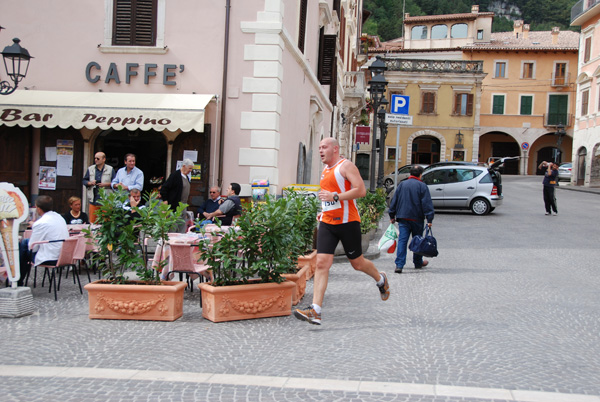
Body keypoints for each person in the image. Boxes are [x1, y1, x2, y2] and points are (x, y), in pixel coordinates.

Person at [293, 137, 390, 326]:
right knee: (322, 264)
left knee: (358, 263)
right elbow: (327, 197)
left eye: (324, 147)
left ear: (335, 149)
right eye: (319, 147)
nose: (320, 150)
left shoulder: (346, 166)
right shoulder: (325, 170)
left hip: (348, 222)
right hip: (328, 223)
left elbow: (360, 191)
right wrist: (323, 211)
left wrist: (335, 196)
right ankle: (316, 311)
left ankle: (380, 279)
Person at [388, 165, 435, 274]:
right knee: (417, 240)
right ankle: (418, 262)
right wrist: (429, 219)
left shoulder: (402, 185)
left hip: (403, 217)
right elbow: (427, 204)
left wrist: (392, 216)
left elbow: (394, 201)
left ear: (410, 173)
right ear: (420, 174)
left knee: (402, 241)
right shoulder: (422, 186)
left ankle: (399, 265)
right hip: (417, 218)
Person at [18, 195, 69, 286]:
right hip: (63, 255)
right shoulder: (59, 217)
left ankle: (18, 279)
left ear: (38, 208)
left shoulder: (41, 223)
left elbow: (32, 248)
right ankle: (18, 279)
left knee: (24, 245)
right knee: (24, 247)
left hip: (51, 258)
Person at [160, 159, 194, 233]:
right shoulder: (175, 175)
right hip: (175, 207)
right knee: (173, 227)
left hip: (183, 206)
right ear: (184, 166)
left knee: (182, 227)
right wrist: (165, 200)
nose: (191, 170)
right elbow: (164, 188)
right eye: (190, 168)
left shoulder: (187, 177)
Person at [82, 151, 115, 222]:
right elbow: (84, 181)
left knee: (107, 222)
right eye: (95, 158)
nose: (95, 160)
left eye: (98, 158)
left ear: (104, 159)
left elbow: (115, 183)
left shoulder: (110, 169)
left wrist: (105, 184)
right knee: (93, 222)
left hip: (106, 201)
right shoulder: (90, 169)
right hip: (94, 200)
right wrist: (90, 183)